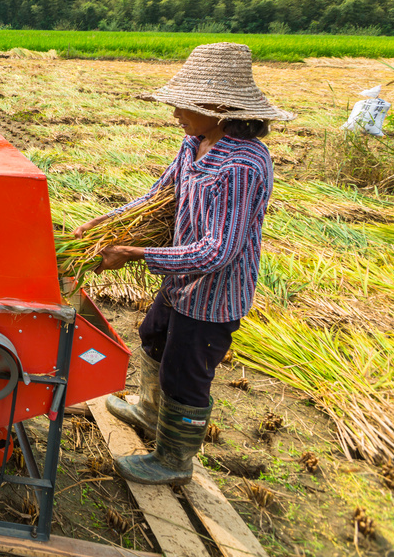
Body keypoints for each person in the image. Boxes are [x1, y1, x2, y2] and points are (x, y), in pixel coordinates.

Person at [74, 42, 293, 486]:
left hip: (213, 294)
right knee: (153, 336)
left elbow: (218, 251)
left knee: (186, 374)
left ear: (218, 107)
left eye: (184, 104)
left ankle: (174, 462)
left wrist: (134, 253)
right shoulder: (194, 141)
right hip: (179, 281)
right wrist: (110, 219)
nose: (176, 112)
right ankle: (150, 413)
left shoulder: (242, 165)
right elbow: (160, 196)